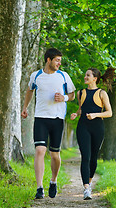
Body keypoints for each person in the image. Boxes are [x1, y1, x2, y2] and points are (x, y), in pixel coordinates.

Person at [21, 48, 76, 199]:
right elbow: (29, 90)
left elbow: (72, 95)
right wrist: (25, 107)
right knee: (39, 150)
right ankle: (39, 188)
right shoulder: (36, 76)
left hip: (57, 119)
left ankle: (53, 180)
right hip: (40, 118)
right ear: (48, 60)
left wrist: (63, 98)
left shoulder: (63, 76)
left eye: (60, 60)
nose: (59, 63)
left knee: (55, 154)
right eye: (57, 60)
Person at [70, 67, 113, 200]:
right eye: (85, 75)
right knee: (86, 157)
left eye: (88, 75)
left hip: (97, 128)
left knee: (93, 158)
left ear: (95, 78)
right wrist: (75, 114)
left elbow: (109, 113)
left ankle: (89, 181)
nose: (85, 77)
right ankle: (86, 188)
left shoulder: (102, 93)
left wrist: (95, 115)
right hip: (83, 126)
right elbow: (81, 109)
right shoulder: (80, 93)